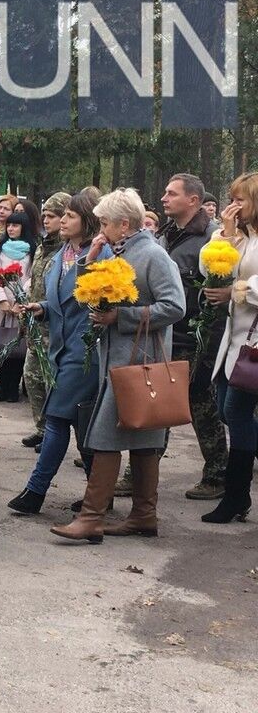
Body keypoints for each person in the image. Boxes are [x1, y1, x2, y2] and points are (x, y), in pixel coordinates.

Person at [51, 188, 185, 543]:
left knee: (104, 437)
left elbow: (175, 307)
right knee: (143, 441)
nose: (102, 228)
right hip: (121, 360)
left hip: (139, 363)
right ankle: (144, 515)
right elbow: (94, 289)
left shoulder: (154, 255)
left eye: (106, 223)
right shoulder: (124, 251)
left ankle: (92, 517)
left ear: (124, 224)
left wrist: (120, 316)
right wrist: (89, 260)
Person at [8, 193, 107, 514]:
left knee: (56, 420)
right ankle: (100, 494)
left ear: (87, 221)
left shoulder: (99, 254)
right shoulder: (62, 253)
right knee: (79, 424)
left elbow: (95, 300)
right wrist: (42, 307)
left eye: (70, 216)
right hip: (60, 349)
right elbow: (62, 302)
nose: (62, 220)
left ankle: (35, 492)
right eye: (61, 215)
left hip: (85, 351)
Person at [156, 173, 226, 501]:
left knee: (202, 405)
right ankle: (141, 471)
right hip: (166, 335)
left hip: (193, 341)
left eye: (172, 194)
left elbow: (216, 301)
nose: (164, 198)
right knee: (157, 404)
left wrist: (209, 350)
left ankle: (216, 475)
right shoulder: (166, 235)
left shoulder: (213, 239)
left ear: (193, 201)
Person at [200, 172, 258, 523]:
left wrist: (237, 290)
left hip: (252, 343)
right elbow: (210, 264)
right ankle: (237, 496)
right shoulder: (243, 237)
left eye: (242, 199)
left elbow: (244, 284)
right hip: (234, 341)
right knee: (225, 410)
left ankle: (235, 496)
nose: (235, 206)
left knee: (235, 413)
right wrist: (228, 234)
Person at [21, 193, 69, 449]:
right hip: (36, 319)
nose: (46, 221)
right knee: (32, 376)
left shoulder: (67, 249)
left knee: (53, 380)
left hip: (55, 324)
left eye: (52, 216)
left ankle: (53, 432)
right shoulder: (44, 245)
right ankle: (41, 428)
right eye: (45, 216)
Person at [0, 211, 35, 403]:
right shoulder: (0, 248)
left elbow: (31, 277)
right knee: (1, 345)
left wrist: (20, 300)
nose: (11, 229)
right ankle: (2, 386)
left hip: (21, 305)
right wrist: (2, 300)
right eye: (9, 225)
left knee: (17, 346)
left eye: (15, 225)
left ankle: (13, 387)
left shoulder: (31, 249)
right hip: (1, 305)